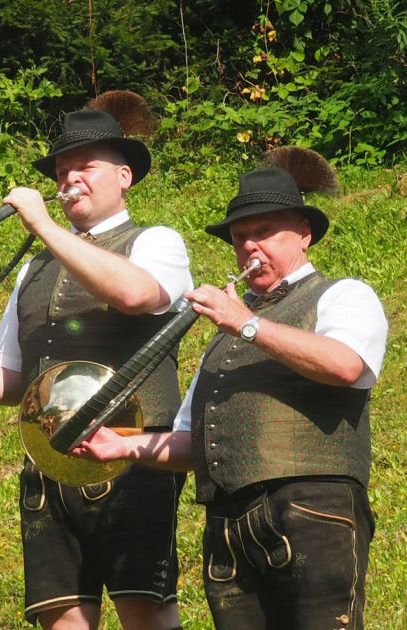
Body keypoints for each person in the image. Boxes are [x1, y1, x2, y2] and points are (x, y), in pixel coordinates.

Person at [0, 91, 193, 629]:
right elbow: (10, 379)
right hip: (49, 458)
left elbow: (137, 295)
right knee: (62, 617)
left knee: (144, 610)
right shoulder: (34, 270)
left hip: (131, 456)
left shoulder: (156, 241)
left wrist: (45, 228)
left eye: (85, 167)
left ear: (124, 176)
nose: (70, 178)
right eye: (61, 171)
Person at [74, 150, 388, 630]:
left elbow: (345, 365)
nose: (250, 247)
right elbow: (192, 440)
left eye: (265, 232)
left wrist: (246, 323)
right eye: (240, 238)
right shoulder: (225, 335)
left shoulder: (344, 294)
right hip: (229, 525)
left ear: (304, 234)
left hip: (312, 511)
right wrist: (123, 445)